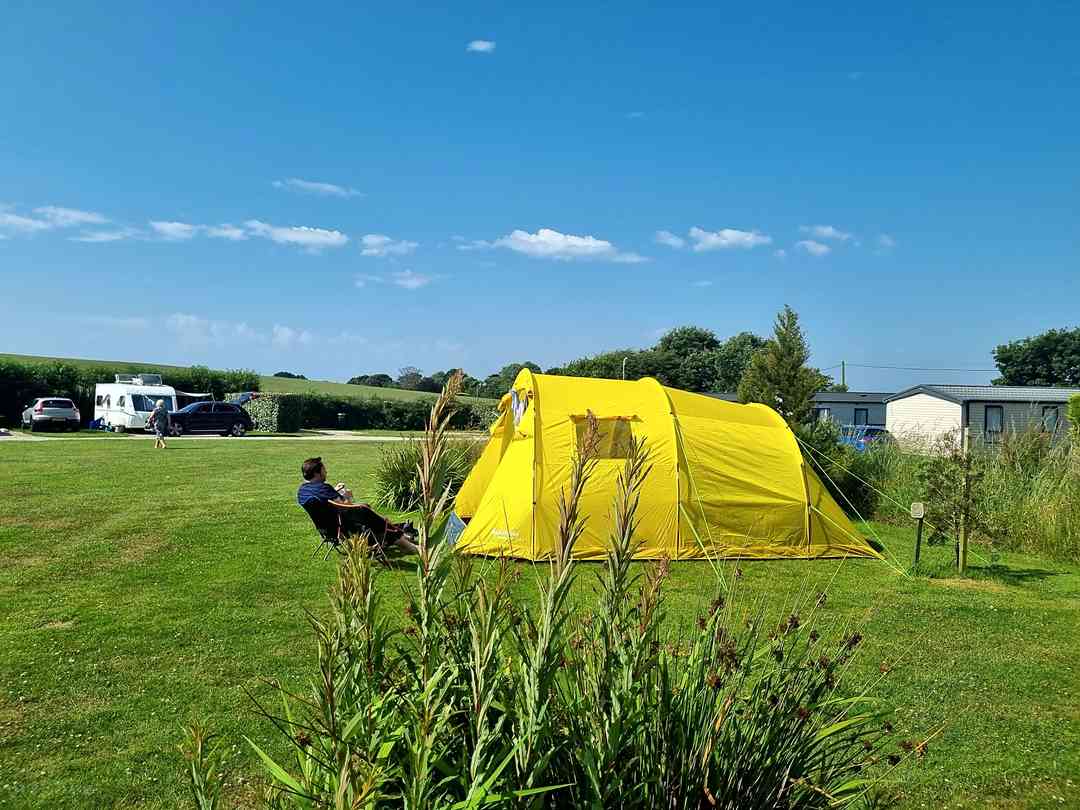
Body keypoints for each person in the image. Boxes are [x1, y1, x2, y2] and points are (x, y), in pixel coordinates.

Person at [297, 457, 420, 554]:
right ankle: (408, 543)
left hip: (328, 530)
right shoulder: (324, 488)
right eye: (324, 470)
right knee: (368, 514)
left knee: (373, 519)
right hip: (348, 529)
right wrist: (347, 495)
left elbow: (326, 501)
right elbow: (348, 507)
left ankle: (402, 532)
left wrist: (335, 492)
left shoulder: (302, 491)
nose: (326, 472)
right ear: (317, 473)